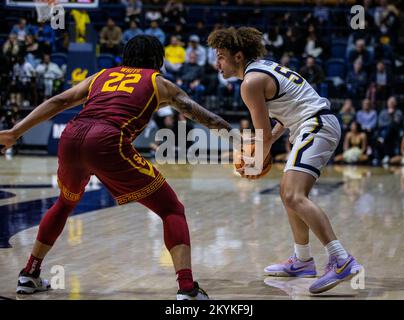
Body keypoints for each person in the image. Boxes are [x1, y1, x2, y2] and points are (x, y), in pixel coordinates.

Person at [0, 35, 235, 300]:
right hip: (106, 140)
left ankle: (29, 273)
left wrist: (14, 132)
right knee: (172, 210)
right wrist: (237, 138)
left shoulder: (102, 75)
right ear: (158, 60)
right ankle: (187, 289)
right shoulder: (159, 82)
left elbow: (58, 102)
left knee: (64, 203)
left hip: (71, 136)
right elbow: (202, 115)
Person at [208, 27, 363, 294]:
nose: (216, 63)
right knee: (287, 192)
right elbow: (284, 113)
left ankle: (341, 259)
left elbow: (263, 135)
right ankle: (302, 260)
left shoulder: (250, 82)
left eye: (221, 56)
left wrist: (253, 161)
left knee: (293, 195)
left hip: (316, 125)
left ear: (238, 56)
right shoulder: (263, 69)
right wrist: (261, 149)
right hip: (314, 123)